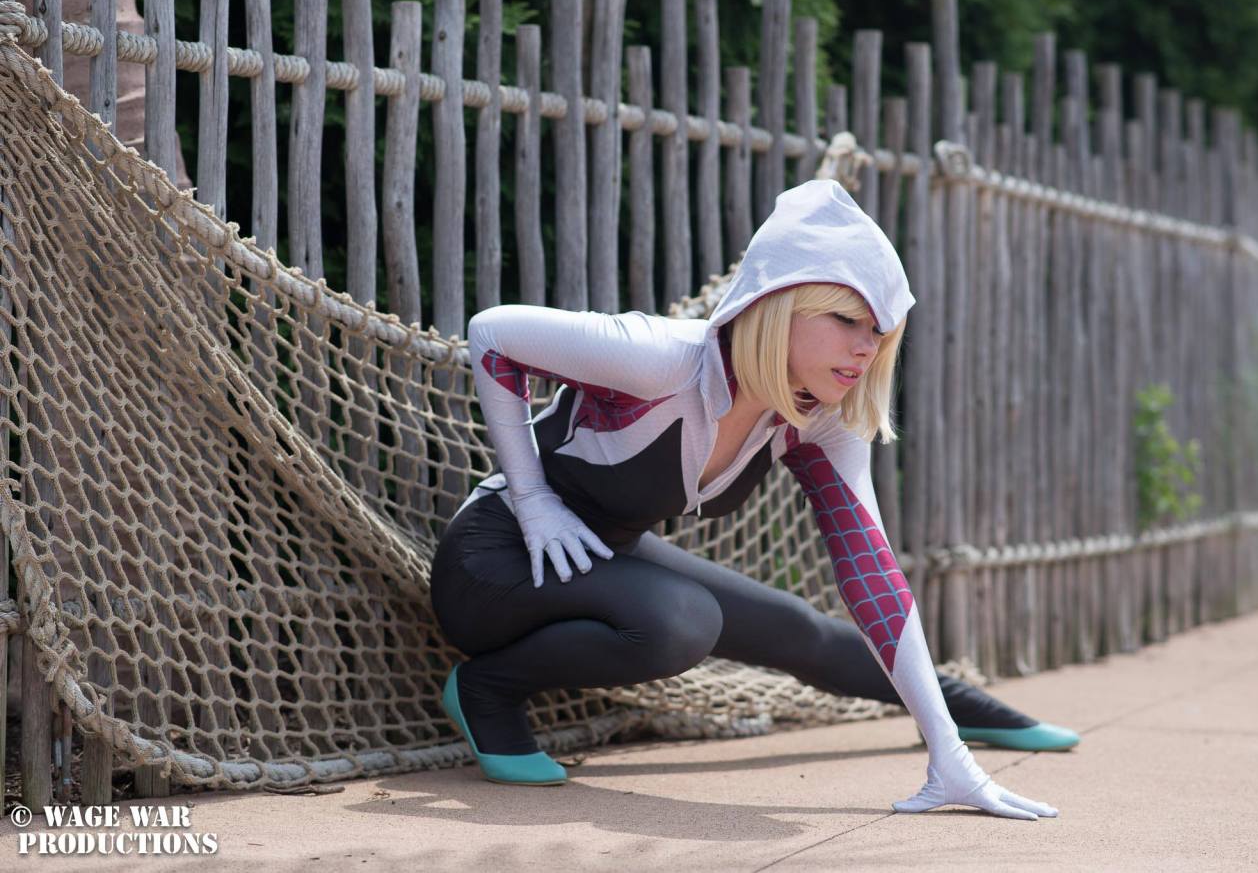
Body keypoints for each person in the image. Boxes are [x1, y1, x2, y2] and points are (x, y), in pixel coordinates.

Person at [430, 179, 1072, 819]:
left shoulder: (819, 417)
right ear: (776, 306)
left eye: (878, 331)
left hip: (606, 559)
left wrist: (946, 748)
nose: (864, 348)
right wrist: (534, 497)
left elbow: (871, 573)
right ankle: (487, 691)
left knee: (797, 629)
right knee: (685, 620)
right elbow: (493, 334)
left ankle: (978, 716)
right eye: (845, 320)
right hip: (495, 562)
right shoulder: (664, 362)